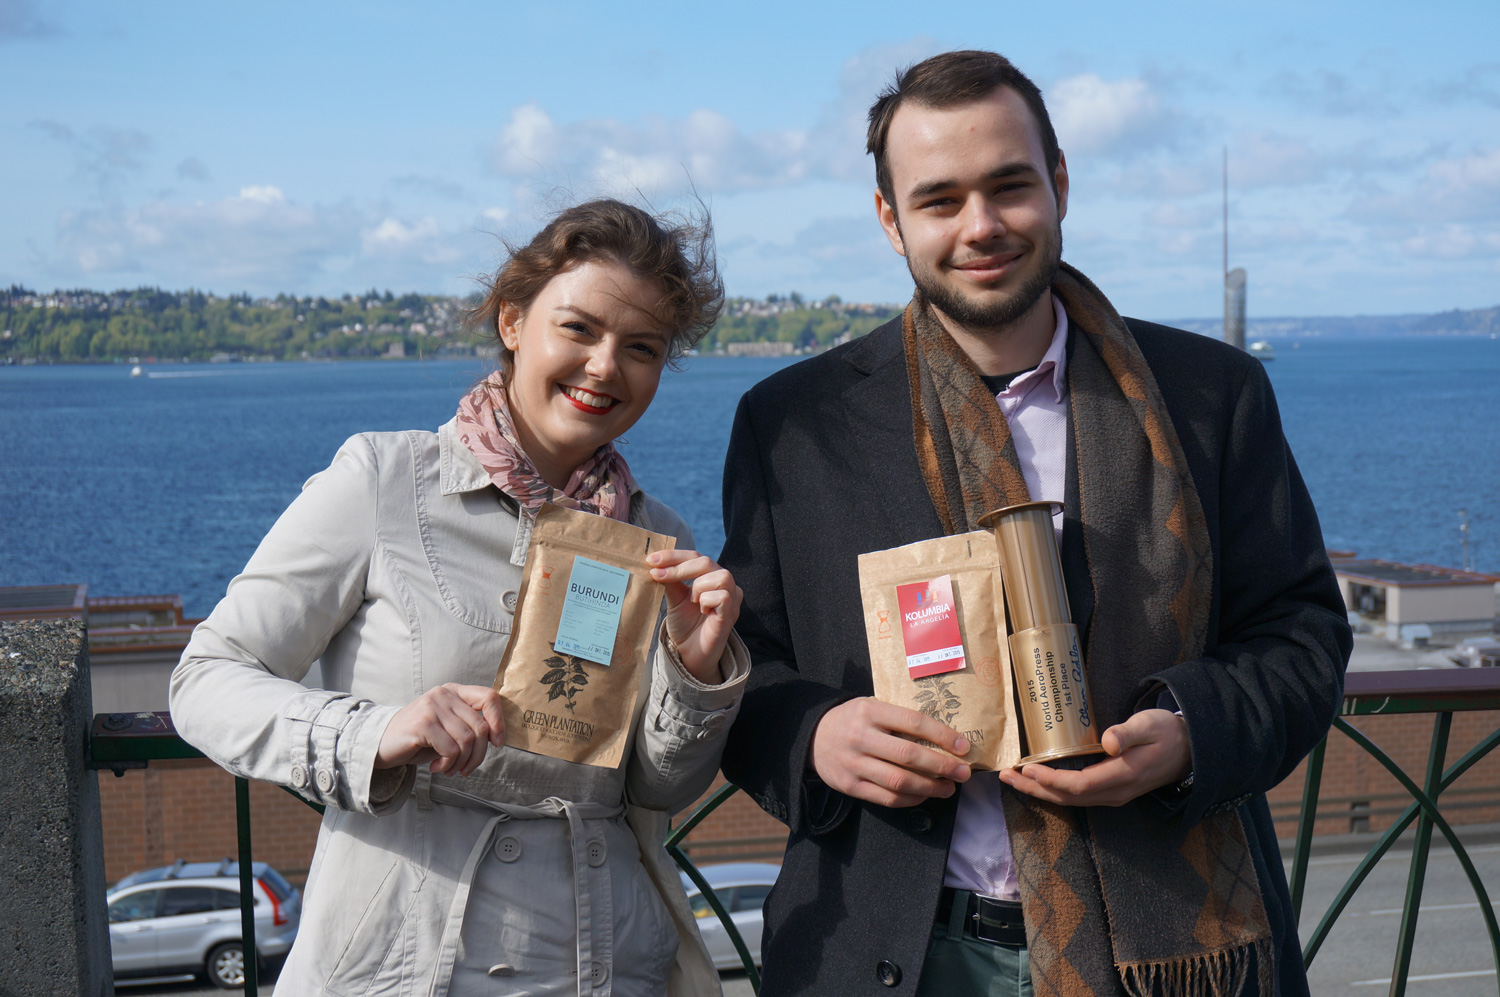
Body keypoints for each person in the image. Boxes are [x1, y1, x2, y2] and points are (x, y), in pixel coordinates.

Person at [718, 51, 1351, 997]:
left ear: (1059, 182)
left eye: (1009, 186)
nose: (980, 226)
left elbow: (1302, 637)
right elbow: (740, 672)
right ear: (891, 220)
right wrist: (815, 734)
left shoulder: (1214, 396)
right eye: (939, 200)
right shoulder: (793, 425)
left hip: (1172, 952)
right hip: (891, 952)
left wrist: (1191, 730)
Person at [171, 198, 749, 997]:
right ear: (513, 321)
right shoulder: (384, 481)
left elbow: (657, 788)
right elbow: (204, 678)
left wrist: (693, 664)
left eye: (641, 347)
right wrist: (375, 732)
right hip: (411, 965)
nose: (606, 367)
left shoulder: (657, 536)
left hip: (610, 966)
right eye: (579, 329)